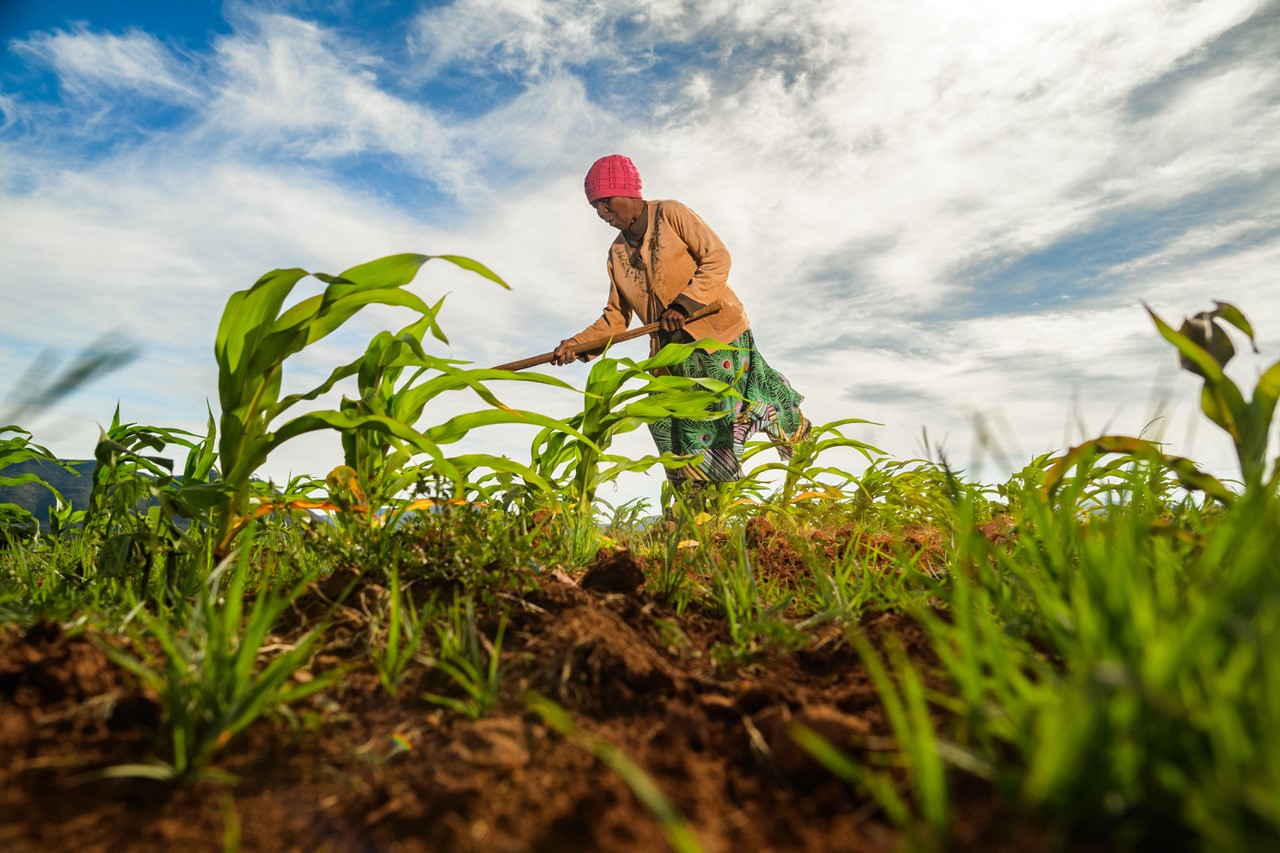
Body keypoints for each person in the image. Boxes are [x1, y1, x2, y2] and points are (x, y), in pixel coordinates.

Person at [552, 154, 810, 487]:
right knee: (666, 424)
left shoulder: (671, 214)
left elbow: (717, 258)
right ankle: (702, 508)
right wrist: (577, 345)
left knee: (717, 421)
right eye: (596, 207)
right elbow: (616, 317)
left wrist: (684, 306)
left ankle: (761, 436)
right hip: (671, 357)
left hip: (717, 336)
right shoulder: (616, 254)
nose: (603, 213)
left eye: (606, 202)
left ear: (629, 192)